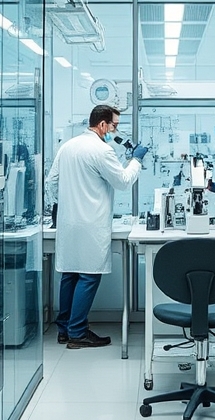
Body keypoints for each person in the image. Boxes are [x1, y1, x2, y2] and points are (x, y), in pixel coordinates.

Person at [47, 105, 148, 348]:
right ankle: (78, 333)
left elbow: (52, 181)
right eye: (114, 125)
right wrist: (136, 160)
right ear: (102, 124)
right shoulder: (102, 150)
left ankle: (64, 328)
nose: (115, 130)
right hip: (91, 224)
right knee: (89, 276)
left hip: (68, 223)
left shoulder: (68, 146)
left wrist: (64, 205)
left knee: (69, 274)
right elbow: (123, 182)